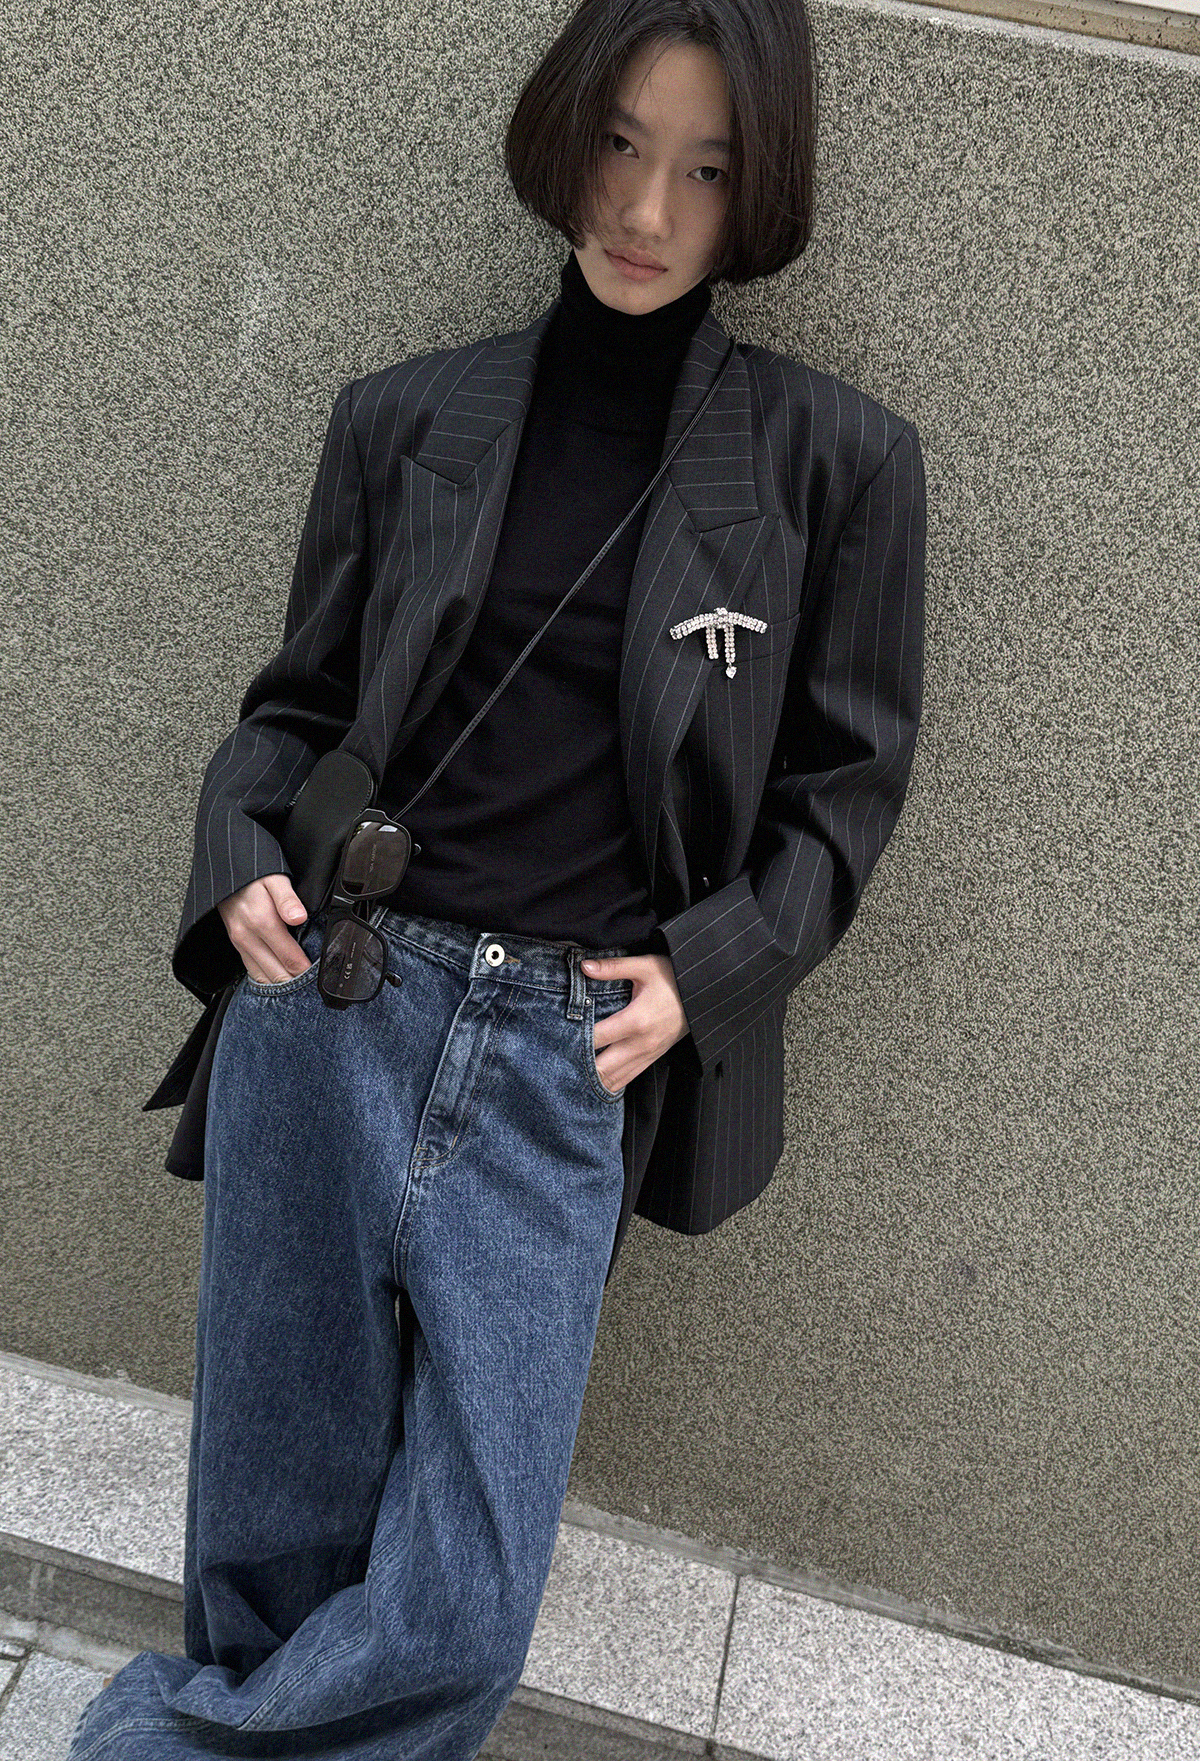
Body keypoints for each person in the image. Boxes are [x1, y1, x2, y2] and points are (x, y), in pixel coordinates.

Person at [71, 0, 925, 1755]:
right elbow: (291, 714)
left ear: (760, 188)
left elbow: (847, 790)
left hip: (564, 1050)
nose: (649, 210)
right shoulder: (405, 418)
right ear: (564, 130)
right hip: (334, 995)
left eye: (707, 169)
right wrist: (238, 863)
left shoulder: (834, 465)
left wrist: (708, 969)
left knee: (464, 1597)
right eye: (620, 144)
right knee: (272, 1536)